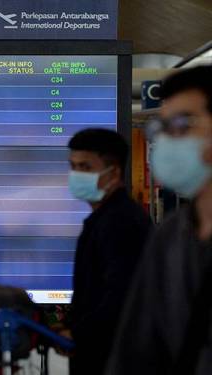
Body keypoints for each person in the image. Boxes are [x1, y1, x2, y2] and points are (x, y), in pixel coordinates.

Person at [105, 65, 212, 375]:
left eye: (182, 124)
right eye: (162, 128)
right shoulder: (171, 235)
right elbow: (136, 346)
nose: (168, 140)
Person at [62, 128, 152, 375]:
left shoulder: (121, 223)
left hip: (112, 358)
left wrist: (78, 333)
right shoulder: (104, 219)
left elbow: (122, 296)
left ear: (114, 172)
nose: (76, 175)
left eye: (85, 167)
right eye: (73, 166)